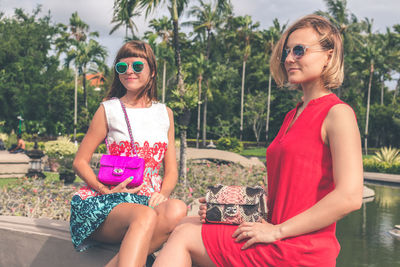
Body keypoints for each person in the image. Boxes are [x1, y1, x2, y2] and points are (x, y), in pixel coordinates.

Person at [153, 14, 363, 267]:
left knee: (185, 236)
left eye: (299, 51)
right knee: (184, 222)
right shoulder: (292, 115)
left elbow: (350, 197)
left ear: (329, 56)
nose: (288, 59)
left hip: (299, 248)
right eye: (286, 52)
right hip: (276, 232)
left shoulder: (337, 113)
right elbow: (288, 189)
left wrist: (277, 231)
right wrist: (224, 206)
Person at [70, 40, 187, 267]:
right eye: (122, 67)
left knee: (178, 209)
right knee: (145, 216)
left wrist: (162, 194)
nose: (129, 72)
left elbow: (171, 169)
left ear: (152, 72)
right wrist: (106, 190)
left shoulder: (165, 113)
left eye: (137, 66)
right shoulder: (109, 109)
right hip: (109, 201)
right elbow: (80, 162)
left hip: (149, 200)